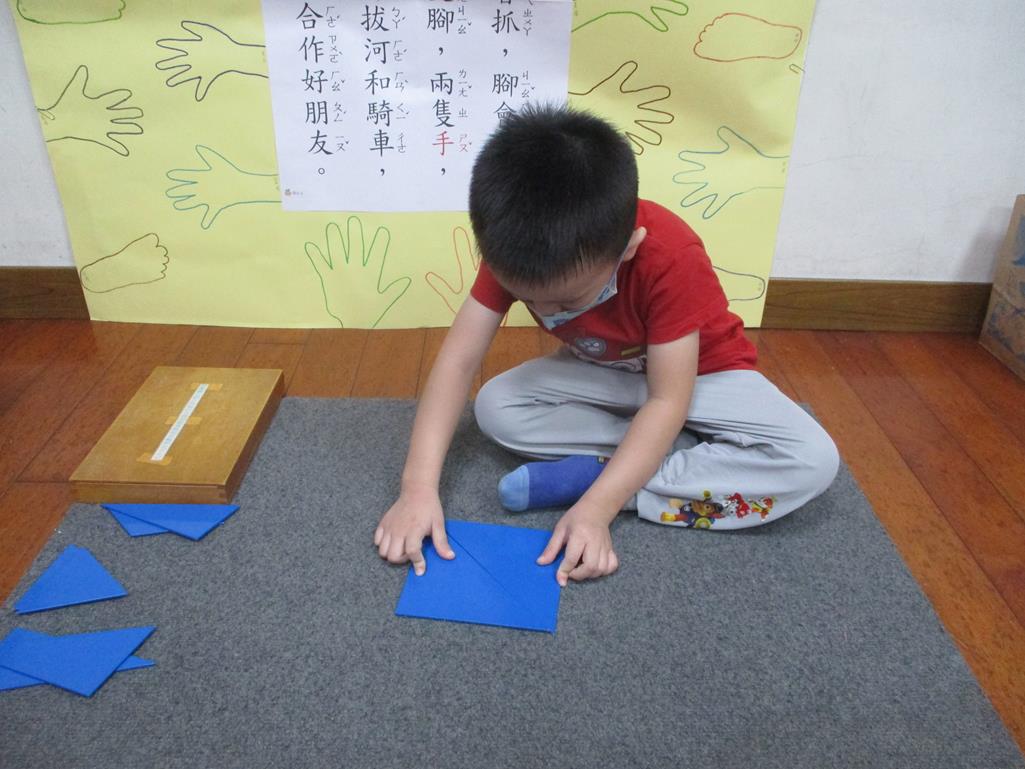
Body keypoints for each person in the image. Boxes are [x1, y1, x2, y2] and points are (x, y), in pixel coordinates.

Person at [374, 104, 839, 586]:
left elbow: (668, 399)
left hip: (706, 378)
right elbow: (457, 362)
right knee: (495, 407)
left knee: (813, 460)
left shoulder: (670, 256)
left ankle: (608, 480)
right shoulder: (517, 246)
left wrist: (598, 507)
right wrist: (417, 489)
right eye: (530, 300)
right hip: (608, 377)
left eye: (566, 301)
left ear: (629, 247)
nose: (548, 312)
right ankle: (659, 458)